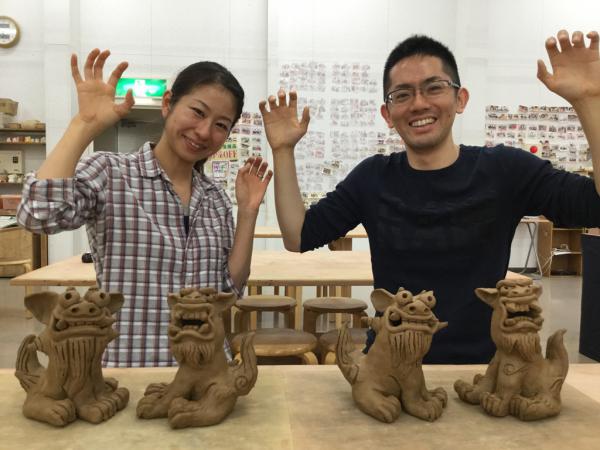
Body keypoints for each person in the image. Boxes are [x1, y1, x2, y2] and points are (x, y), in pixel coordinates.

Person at [259, 30, 600, 364]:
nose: (419, 103)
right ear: (387, 114)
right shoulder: (373, 178)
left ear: (460, 99)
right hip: (391, 368)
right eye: (402, 94)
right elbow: (298, 235)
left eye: (434, 87)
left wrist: (588, 101)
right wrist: (283, 150)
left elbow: (594, 206)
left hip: (483, 372)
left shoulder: (505, 170)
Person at [17, 49, 272, 367]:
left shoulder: (214, 197)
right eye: (197, 112)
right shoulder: (111, 173)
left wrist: (248, 212)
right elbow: (38, 215)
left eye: (221, 125)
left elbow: (228, 290)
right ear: (168, 104)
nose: (205, 131)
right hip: (129, 371)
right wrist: (83, 125)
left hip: (204, 372)